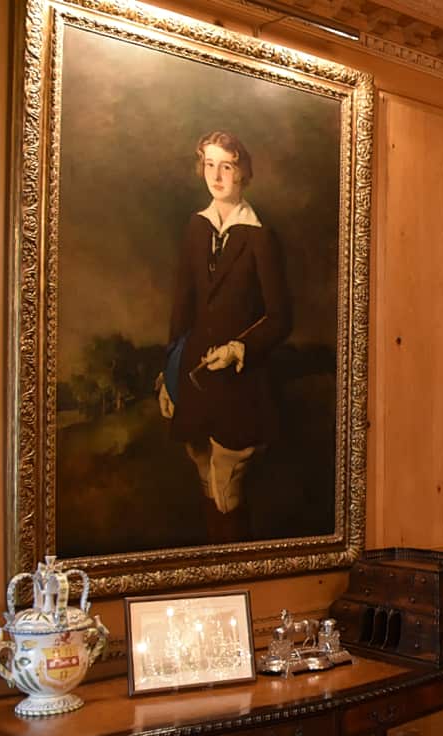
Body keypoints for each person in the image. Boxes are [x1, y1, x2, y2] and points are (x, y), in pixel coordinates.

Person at [157, 131, 292, 543]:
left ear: (242, 174)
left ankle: (238, 577)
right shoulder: (195, 229)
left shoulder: (259, 236)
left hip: (239, 385)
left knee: (227, 490)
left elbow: (281, 317)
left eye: (227, 166)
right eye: (210, 164)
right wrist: (169, 375)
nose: (216, 175)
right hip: (195, 380)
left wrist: (240, 348)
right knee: (203, 479)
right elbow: (182, 310)